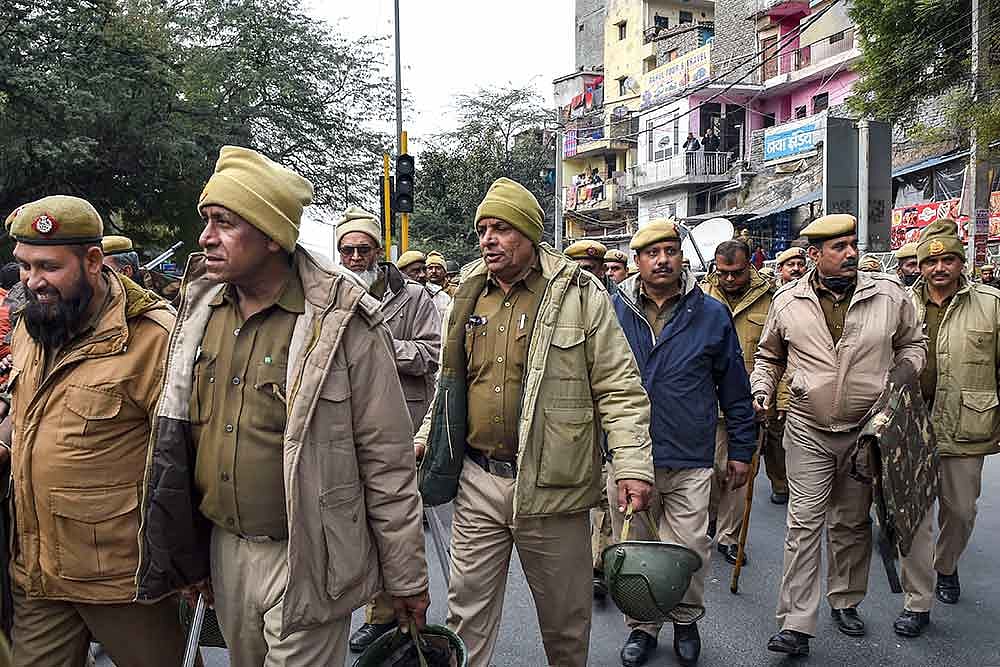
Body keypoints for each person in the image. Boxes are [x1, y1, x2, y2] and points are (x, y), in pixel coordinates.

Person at [135, 147, 429, 665]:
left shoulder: (341, 323)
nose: (205, 237)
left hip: (309, 557)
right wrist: (187, 554)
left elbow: (387, 461)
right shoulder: (199, 312)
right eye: (206, 220)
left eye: (224, 222)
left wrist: (406, 578)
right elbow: (178, 444)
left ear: (272, 235)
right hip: (224, 551)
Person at [415, 177, 654, 667]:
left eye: (500, 228)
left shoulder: (577, 293)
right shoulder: (467, 292)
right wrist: (425, 437)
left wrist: (631, 465)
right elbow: (449, 383)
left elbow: (619, 386)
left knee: (565, 622)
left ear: (528, 233)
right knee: (465, 615)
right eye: (482, 230)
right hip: (478, 481)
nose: (488, 240)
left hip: (553, 487)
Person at [5, 196, 189, 666]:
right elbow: (26, 412)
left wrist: (189, 563)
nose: (33, 281)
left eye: (49, 267)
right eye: (24, 266)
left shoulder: (153, 337)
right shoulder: (32, 325)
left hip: (120, 580)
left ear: (92, 261)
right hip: (37, 571)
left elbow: (190, 458)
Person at [752, 214, 925, 656]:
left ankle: (845, 600)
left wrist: (900, 377)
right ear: (815, 254)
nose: (851, 253)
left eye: (852, 244)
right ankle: (796, 623)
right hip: (807, 428)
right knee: (803, 524)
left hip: (867, 432)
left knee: (851, 523)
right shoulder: (787, 300)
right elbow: (770, 356)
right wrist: (762, 389)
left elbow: (913, 345)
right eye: (839, 247)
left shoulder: (889, 294)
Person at [610, 220, 756, 667]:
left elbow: (734, 386)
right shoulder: (614, 310)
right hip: (630, 455)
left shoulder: (711, 314)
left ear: (682, 257)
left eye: (670, 251)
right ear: (637, 261)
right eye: (652, 253)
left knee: (689, 547)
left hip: (691, 454)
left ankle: (686, 618)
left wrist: (742, 449)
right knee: (637, 549)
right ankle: (643, 626)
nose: (662, 260)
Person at [337, 208, 442, 652]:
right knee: (355, 520)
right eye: (347, 250)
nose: (355, 258)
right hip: (347, 422)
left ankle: (390, 614)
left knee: (396, 521)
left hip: (401, 421)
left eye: (363, 250)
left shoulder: (415, 298)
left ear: (379, 252)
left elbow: (430, 354)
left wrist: (378, 349)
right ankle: (370, 608)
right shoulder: (333, 293)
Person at [896, 218, 1000, 636]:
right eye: (931, 261)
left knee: (960, 512)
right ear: (920, 265)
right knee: (915, 517)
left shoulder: (991, 304)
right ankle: (917, 602)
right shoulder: (901, 304)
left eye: (948, 260)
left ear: (961, 263)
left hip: (966, 424)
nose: (939, 268)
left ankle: (946, 565)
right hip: (911, 427)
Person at [701, 239, 775, 567]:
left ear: (750, 267)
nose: (729, 279)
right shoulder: (700, 296)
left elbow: (779, 354)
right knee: (711, 471)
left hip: (750, 402)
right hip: (709, 402)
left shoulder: (771, 298)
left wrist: (770, 397)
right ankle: (710, 521)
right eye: (723, 273)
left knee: (740, 470)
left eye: (737, 272)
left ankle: (729, 536)